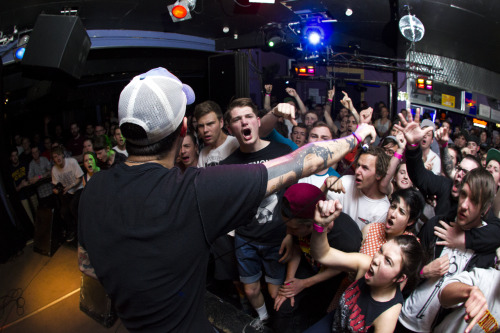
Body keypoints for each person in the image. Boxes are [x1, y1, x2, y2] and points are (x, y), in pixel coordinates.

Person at [78, 67, 376, 333]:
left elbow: (88, 266)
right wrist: (358, 135)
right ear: (184, 128)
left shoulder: (92, 189)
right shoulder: (194, 190)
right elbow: (304, 161)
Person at [396, 168, 500, 333]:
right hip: (401, 315)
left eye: (474, 200)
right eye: (464, 194)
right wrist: (423, 271)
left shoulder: (484, 254)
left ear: (485, 209)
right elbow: (403, 270)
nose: (464, 205)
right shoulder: (436, 225)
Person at [221, 97, 292, 327]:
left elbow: (292, 196)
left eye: (248, 116)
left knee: (275, 293)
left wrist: (291, 233)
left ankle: (276, 322)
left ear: (258, 121)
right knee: (251, 291)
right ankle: (263, 320)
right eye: (237, 119)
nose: (244, 122)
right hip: (246, 239)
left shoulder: (282, 152)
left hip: (276, 238)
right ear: (230, 128)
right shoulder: (228, 166)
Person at [305, 199, 424, 333]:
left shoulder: (388, 315)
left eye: (388, 261)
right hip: (332, 321)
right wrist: (320, 225)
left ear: (400, 278)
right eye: (380, 251)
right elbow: (322, 254)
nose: (377, 260)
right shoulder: (365, 264)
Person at [273, 183, 362, 333]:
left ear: (313, 224)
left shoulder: (347, 238)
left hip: (327, 281)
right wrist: (289, 285)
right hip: (307, 266)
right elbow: (296, 247)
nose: (288, 232)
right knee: (284, 309)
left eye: (293, 229)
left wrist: (304, 284)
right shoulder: (298, 223)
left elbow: (339, 269)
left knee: (313, 318)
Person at [323, 146, 391, 230]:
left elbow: (366, 242)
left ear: (379, 174)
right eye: (358, 165)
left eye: (365, 168)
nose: (357, 171)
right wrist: (326, 185)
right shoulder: (346, 181)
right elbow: (321, 211)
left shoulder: (382, 210)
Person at [360, 188, 424, 258]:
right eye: (393, 206)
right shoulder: (370, 229)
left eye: (401, 212)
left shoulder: (411, 246)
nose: (393, 214)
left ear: (410, 221)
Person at [52, 146, 83, 242]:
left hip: (78, 188)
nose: (57, 159)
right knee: (63, 211)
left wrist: (70, 186)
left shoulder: (72, 162)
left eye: (58, 156)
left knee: (73, 206)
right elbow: (56, 185)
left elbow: (80, 178)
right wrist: (57, 190)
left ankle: (81, 229)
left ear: (62, 155)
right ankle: (72, 230)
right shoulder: (54, 169)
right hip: (67, 192)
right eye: (54, 157)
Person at [195, 100, 239, 167]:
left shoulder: (236, 143)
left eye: (210, 124)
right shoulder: (203, 153)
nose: (205, 130)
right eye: (201, 126)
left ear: (221, 122)